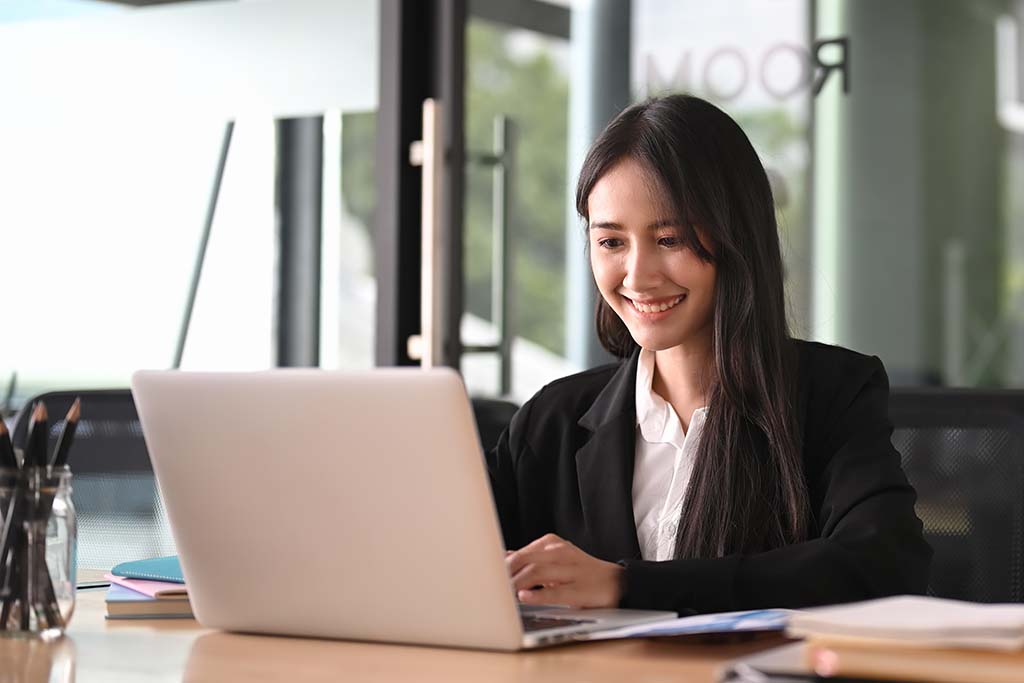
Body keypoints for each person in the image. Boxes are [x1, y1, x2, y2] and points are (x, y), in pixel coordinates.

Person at [487, 94, 932, 616]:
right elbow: (443, 557)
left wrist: (626, 587)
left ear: (734, 238)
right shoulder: (551, 421)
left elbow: (886, 568)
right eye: (611, 243)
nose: (637, 275)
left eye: (669, 238)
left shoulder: (832, 394)